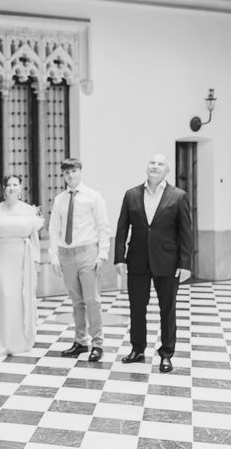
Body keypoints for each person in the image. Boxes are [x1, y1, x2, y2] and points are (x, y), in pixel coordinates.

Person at [115, 154, 193, 373]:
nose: (155, 166)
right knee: (136, 307)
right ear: (146, 167)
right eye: (152, 163)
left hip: (167, 261)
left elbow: (186, 232)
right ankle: (137, 349)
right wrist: (120, 257)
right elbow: (122, 228)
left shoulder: (178, 196)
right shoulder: (131, 195)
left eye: (160, 164)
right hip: (137, 259)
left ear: (167, 170)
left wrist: (185, 263)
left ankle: (167, 353)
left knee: (167, 309)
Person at [49, 158, 110, 362]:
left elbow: (103, 226)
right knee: (77, 302)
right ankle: (80, 341)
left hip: (87, 252)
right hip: (67, 254)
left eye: (74, 171)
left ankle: (97, 344)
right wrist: (54, 257)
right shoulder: (60, 199)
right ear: (63, 175)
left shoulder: (93, 197)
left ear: (80, 171)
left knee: (92, 300)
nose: (70, 176)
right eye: (66, 173)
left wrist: (102, 254)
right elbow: (54, 229)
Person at [0, 175, 43, 355]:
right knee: (6, 297)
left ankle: (20, 341)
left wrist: (37, 262)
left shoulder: (28, 211)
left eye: (15, 184)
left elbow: (34, 238)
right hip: (3, 259)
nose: (11, 187)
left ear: (21, 188)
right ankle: (3, 340)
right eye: (8, 184)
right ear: (3, 188)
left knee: (22, 298)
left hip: (25, 259)